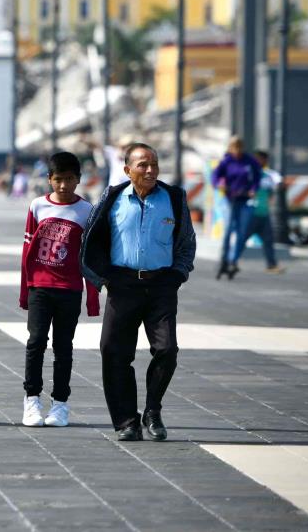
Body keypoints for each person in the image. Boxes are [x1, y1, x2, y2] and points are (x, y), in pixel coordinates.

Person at [80, 142, 195, 442]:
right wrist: (105, 279)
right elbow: (91, 240)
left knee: (167, 349)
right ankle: (126, 421)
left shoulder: (174, 197)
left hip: (161, 287)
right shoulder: (112, 198)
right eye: (143, 165)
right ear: (127, 170)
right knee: (114, 353)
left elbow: (186, 243)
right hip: (123, 286)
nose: (150, 170)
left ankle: (152, 411)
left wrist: (177, 275)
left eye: (154, 164)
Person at [18, 152, 99, 428]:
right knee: (36, 342)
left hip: (70, 289)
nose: (63, 185)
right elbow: (27, 252)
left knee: (64, 347)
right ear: (49, 179)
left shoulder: (87, 211)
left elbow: (90, 257)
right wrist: (24, 291)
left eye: (69, 179)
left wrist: (92, 299)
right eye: (58, 180)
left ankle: (60, 405)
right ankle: (31, 400)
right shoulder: (37, 206)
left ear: (78, 179)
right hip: (39, 287)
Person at [211, 136, 262, 280]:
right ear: (230, 148)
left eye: (239, 148)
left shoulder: (249, 160)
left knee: (242, 231)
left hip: (245, 199)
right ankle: (224, 260)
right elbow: (215, 176)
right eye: (234, 148)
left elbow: (257, 177)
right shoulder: (226, 161)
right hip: (229, 199)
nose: (237, 151)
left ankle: (234, 260)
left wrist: (253, 189)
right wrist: (219, 184)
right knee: (228, 230)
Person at [247, 150, 284, 274]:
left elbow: (273, 190)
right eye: (260, 159)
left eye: (264, 160)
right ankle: (229, 262)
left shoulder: (267, 176)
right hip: (251, 214)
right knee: (241, 240)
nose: (262, 162)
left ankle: (271, 265)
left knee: (268, 240)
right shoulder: (249, 174)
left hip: (264, 213)